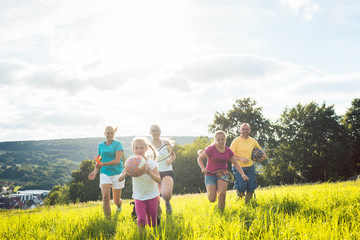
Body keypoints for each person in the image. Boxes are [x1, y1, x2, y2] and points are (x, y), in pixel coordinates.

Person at [197, 130, 249, 211]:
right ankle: (215, 191)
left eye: (222, 139)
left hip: (223, 174)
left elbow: (235, 163)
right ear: (215, 140)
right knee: (212, 199)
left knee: (222, 194)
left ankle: (221, 212)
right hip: (210, 175)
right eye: (218, 140)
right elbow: (200, 158)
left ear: (225, 139)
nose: (221, 141)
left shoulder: (228, 151)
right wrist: (203, 168)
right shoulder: (211, 149)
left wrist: (243, 174)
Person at [118, 137, 161, 229]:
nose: (139, 150)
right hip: (139, 197)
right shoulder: (130, 162)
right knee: (141, 220)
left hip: (152, 196)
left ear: (146, 149)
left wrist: (150, 173)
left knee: (153, 222)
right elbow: (119, 179)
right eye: (136, 148)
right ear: (133, 149)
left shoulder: (151, 163)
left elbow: (159, 180)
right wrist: (126, 172)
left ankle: (156, 233)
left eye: (141, 148)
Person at [88, 126, 125, 218]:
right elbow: (99, 161)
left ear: (114, 133)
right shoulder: (101, 145)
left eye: (111, 133)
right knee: (105, 198)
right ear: (104, 133)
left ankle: (119, 205)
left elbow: (117, 160)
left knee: (116, 200)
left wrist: (103, 164)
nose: (110, 135)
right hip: (105, 173)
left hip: (117, 173)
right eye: (108, 133)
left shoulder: (118, 144)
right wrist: (94, 172)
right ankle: (108, 220)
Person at [230, 123, 267, 204]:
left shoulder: (253, 141)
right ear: (240, 130)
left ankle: (247, 205)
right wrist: (241, 159)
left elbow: (260, 149)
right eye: (243, 129)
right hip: (238, 167)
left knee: (251, 188)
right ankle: (239, 202)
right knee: (241, 187)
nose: (245, 131)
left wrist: (264, 156)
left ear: (249, 130)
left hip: (250, 167)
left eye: (247, 129)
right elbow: (230, 155)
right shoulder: (235, 141)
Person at [149, 125, 176, 215]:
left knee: (166, 194)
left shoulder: (165, 143)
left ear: (160, 132)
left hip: (166, 171)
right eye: (153, 131)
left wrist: (170, 160)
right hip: (153, 173)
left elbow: (173, 155)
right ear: (150, 133)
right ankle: (158, 217)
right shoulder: (148, 145)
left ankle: (167, 203)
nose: (155, 132)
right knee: (155, 201)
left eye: (157, 130)